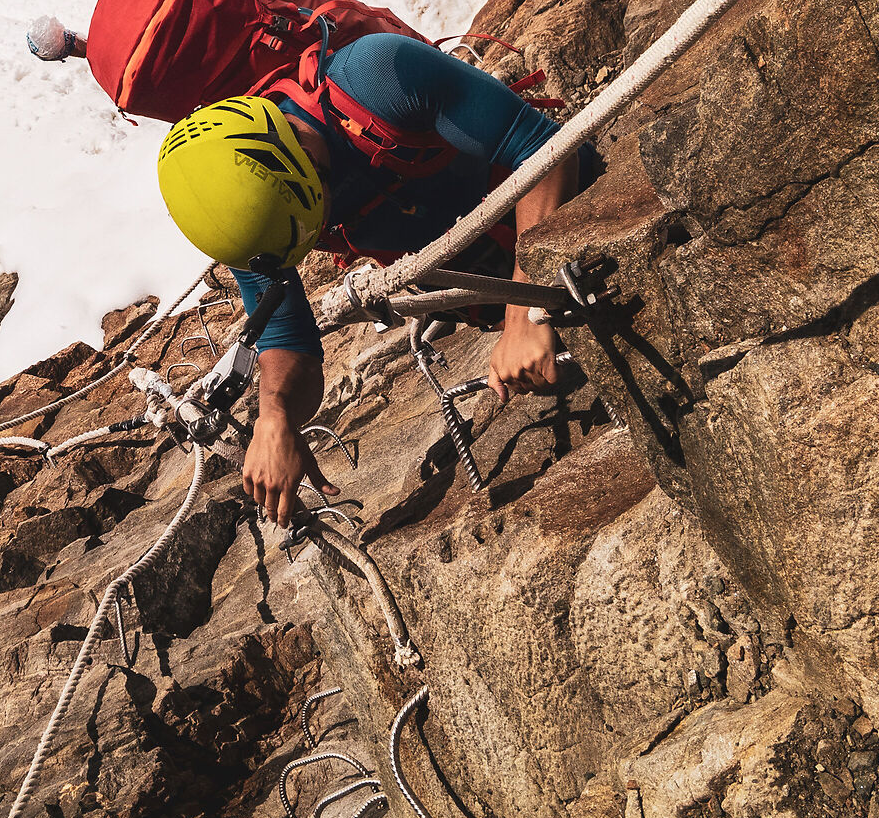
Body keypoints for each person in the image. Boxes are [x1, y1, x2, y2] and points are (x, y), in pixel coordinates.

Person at [155, 31, 578, 526]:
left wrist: (525, 315)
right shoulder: (250, 219)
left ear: (299, 166)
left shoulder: (381, 76)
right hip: (502, 307)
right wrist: (275, 418)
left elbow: (546, 148)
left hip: (577, 217)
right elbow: (289, 339)